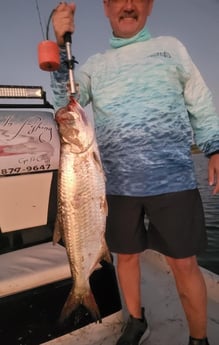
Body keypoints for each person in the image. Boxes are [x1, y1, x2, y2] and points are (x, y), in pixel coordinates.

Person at [51, 1, 219, 344]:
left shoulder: (170, 49)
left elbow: (200, 101)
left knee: (184, 263)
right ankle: (136, 321)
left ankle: (199, 339)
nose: (128, 5)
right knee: (125, 257)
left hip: (172, 180)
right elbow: (65, 102)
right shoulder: (96, 66)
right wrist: (58, 46)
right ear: (106, 8)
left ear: (149, 6)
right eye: (118, 0)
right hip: (115, 187)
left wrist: (214, 146)